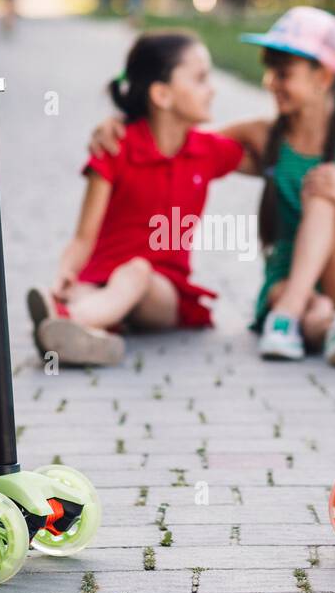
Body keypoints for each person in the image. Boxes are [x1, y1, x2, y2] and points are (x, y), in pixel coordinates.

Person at [87, 7, 335, 367]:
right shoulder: (263, 136)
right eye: (269, 72)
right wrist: (122, 124)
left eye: (283, 74)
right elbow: (179, 143)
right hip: (289, 274)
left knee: (324, 189)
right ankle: (327, 328)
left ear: (324, 77)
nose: (270, 82)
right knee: (314, 310)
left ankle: (293, 317)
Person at [27, 29, 247, 366]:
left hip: (162, 292)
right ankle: (86, 333)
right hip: (102, 279)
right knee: (84, 291)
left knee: (137, 273)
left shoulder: (208, 151)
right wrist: (65, 273)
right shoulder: (114, 149)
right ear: (162, 94)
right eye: (201, 79)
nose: (212, 88)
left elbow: (269, 144)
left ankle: (66, 323)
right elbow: (84, 237)